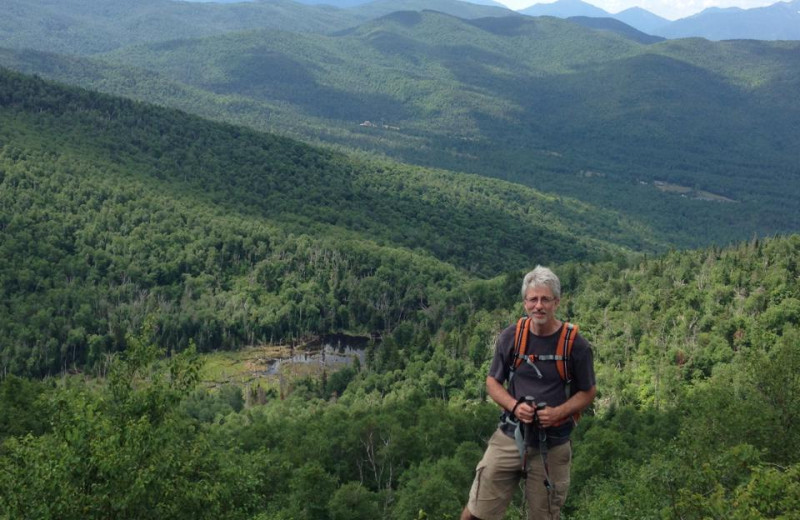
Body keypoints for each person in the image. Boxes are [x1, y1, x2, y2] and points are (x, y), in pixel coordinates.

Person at [461, 266, 596, 520]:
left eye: (545, 299)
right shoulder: (511, 337)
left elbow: (588, 392)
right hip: (510, 435)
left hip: (553, 443)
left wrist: (558, 412)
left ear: (557, 302)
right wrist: (514, 406)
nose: (539, 306)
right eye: (533, 299)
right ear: (525, 304)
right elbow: (492, 382)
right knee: (477, 510)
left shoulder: (576, 345)